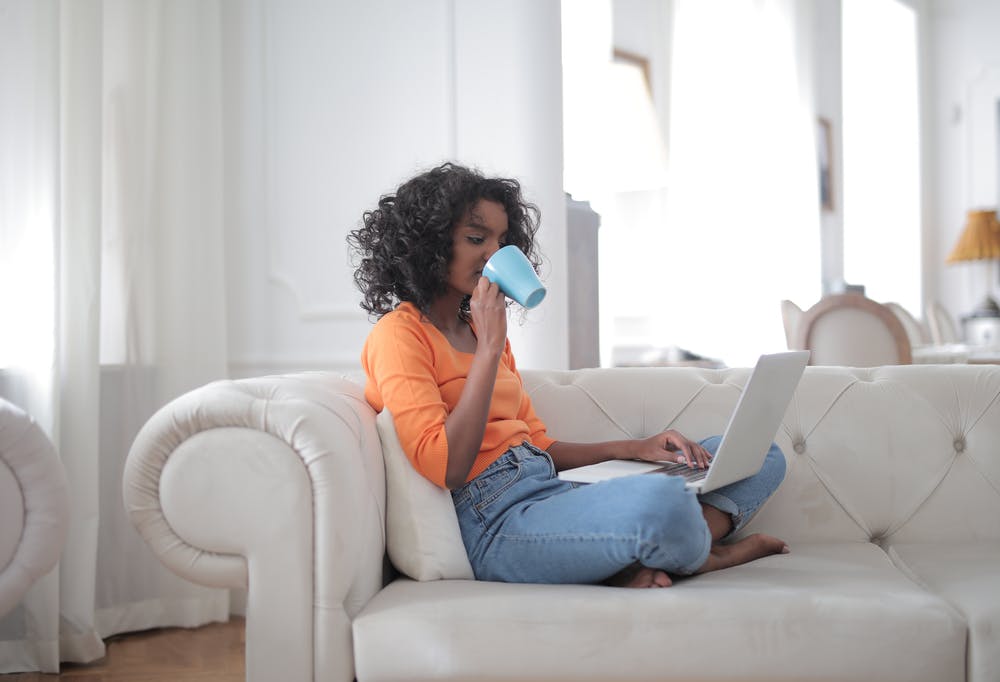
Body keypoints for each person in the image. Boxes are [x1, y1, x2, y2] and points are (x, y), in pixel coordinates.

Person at [348, 162, 789, 588]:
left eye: (503, 241)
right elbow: (447, 467)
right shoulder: (400, 336)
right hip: (495, 524)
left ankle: (643, 553)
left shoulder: (483, 333)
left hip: (550, 491)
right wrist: (487, 350)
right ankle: (709, 555)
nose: (494, 254)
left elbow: (538, 446)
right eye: (476, 237)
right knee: (662, 503)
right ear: (430, 244)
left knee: (757, 455)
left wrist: (636, 448)